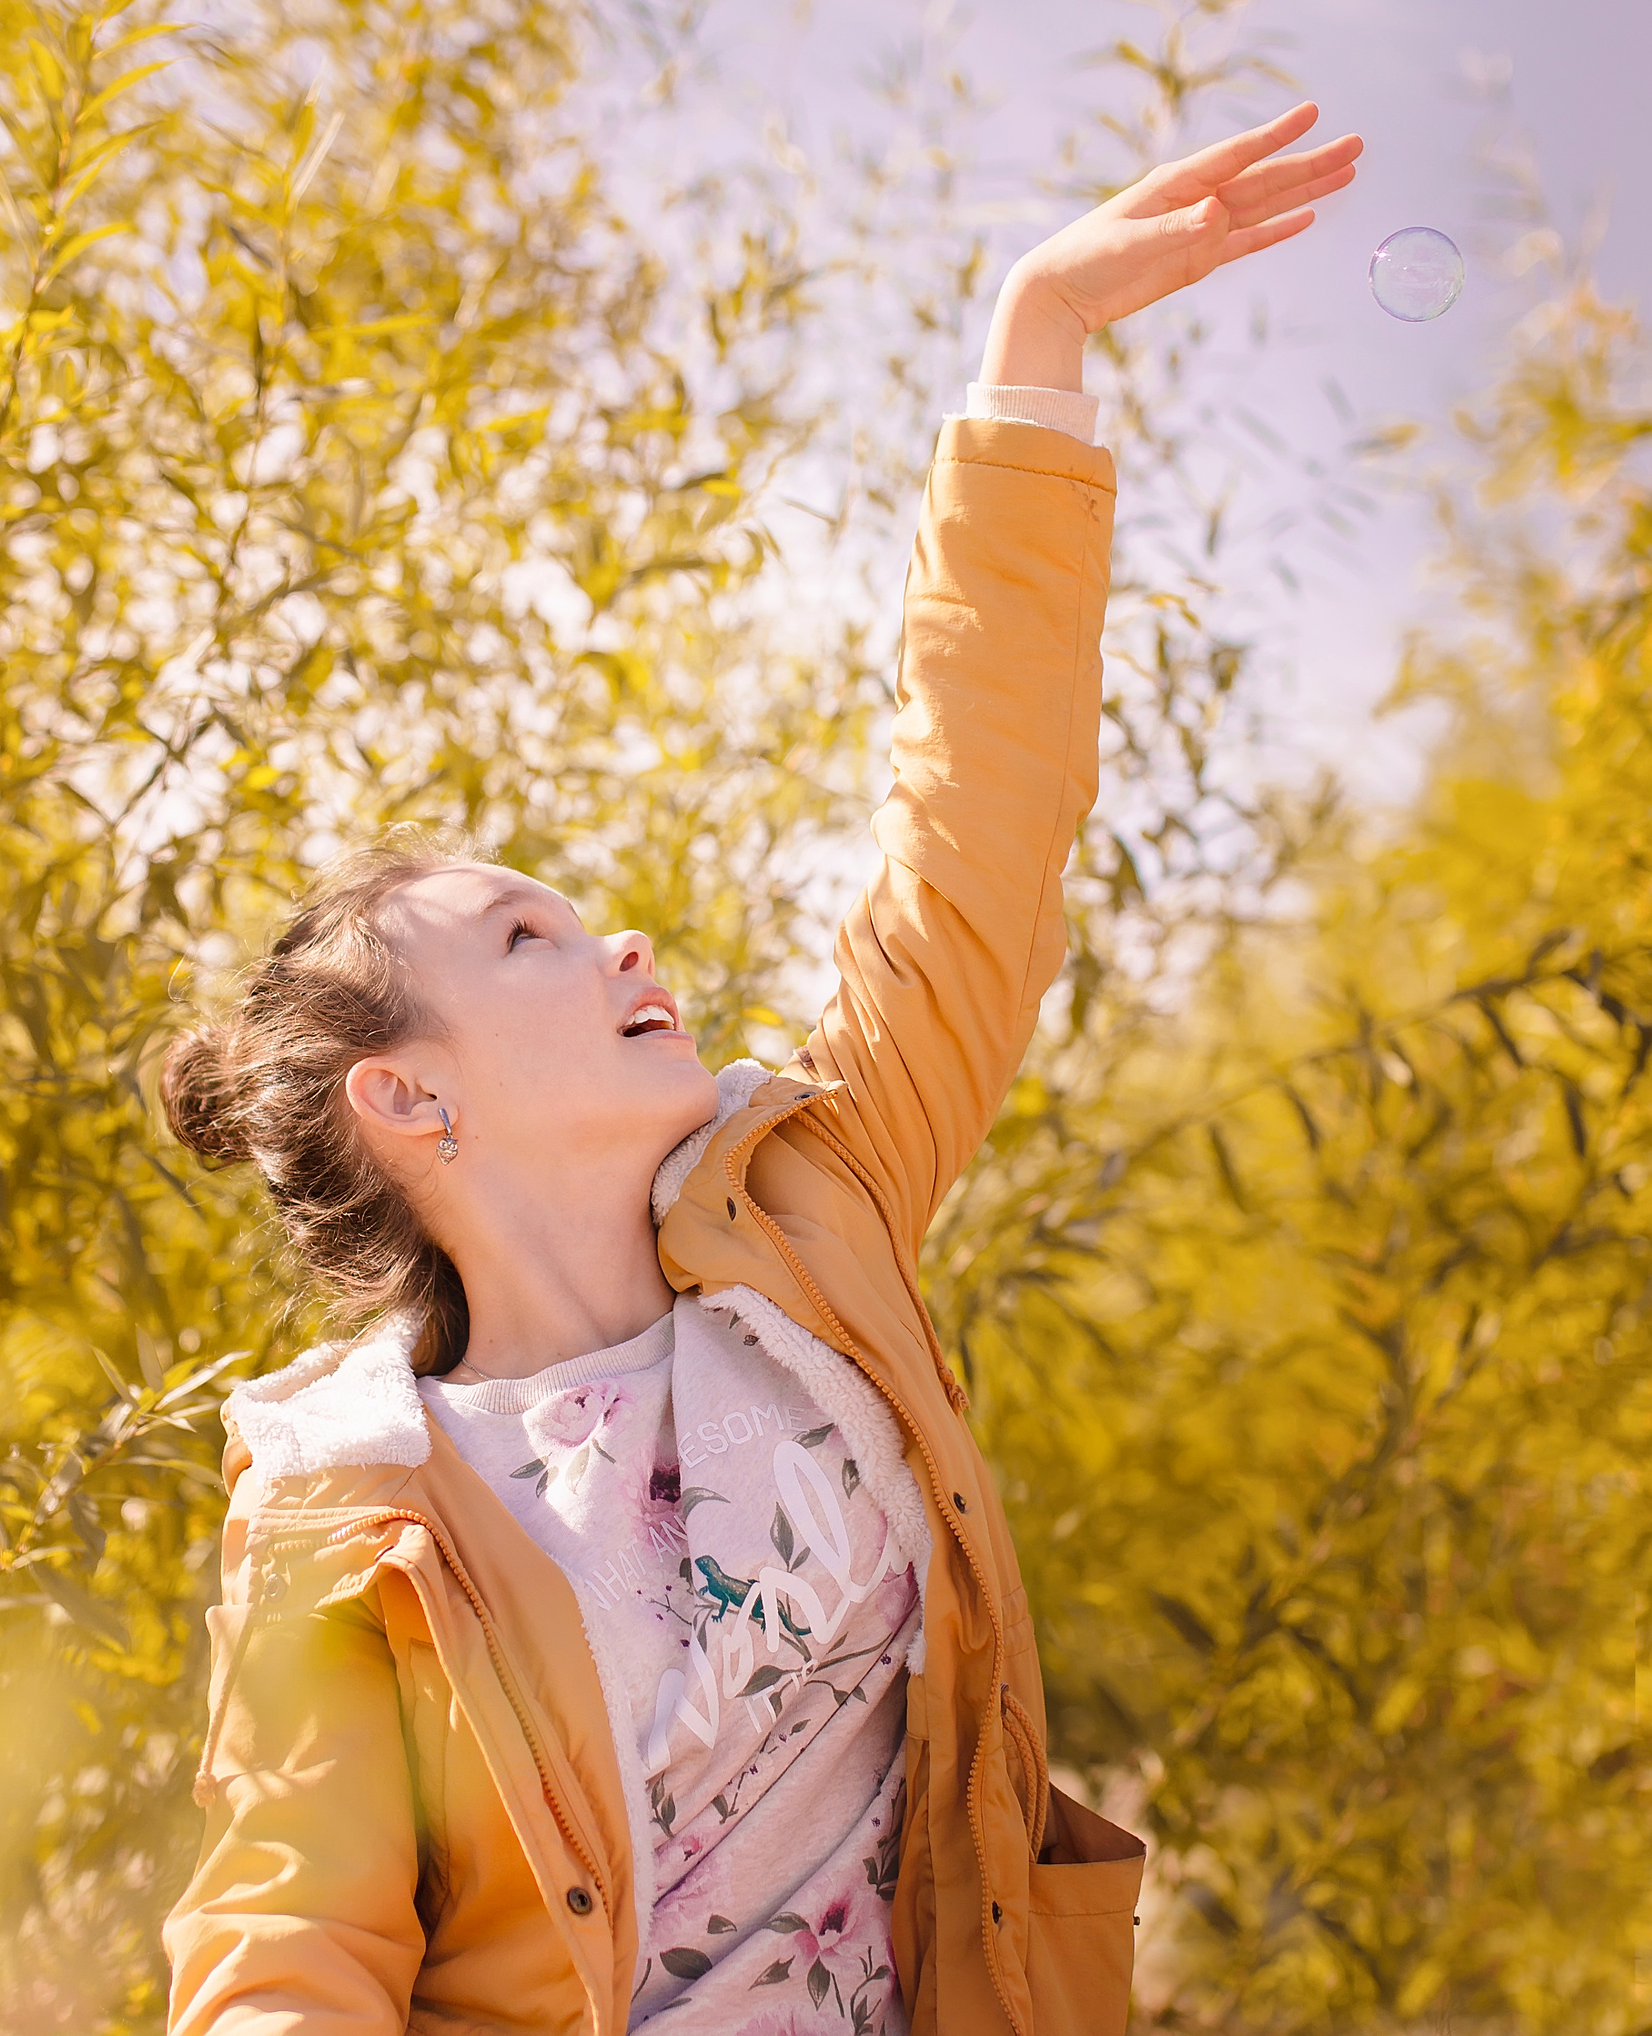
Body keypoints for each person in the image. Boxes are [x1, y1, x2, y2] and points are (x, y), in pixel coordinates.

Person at [157, 104, 1361, 2036]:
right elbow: (290, 1951)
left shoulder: (815, 1206)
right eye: (533, 944)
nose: (622, 942)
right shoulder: (353, 1508)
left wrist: (1032, 350)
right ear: (410, 1098)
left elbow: (975, 833)